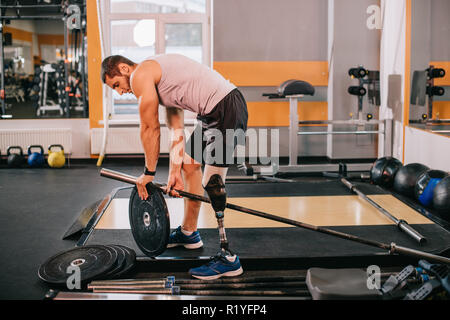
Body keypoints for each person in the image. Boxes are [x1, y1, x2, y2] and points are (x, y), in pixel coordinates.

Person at [101, 53, 248, 279]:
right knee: (189, 166)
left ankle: (227, 257)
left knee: (213, 183)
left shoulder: (141, 74)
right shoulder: (162, 81)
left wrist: (148, 173)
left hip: (225, 107)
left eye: (117, 85)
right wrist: (173, 172)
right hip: (212, 112)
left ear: (124, 68)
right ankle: (189, 233)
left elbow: (150, 127)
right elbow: (176, 130)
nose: (121, 92)